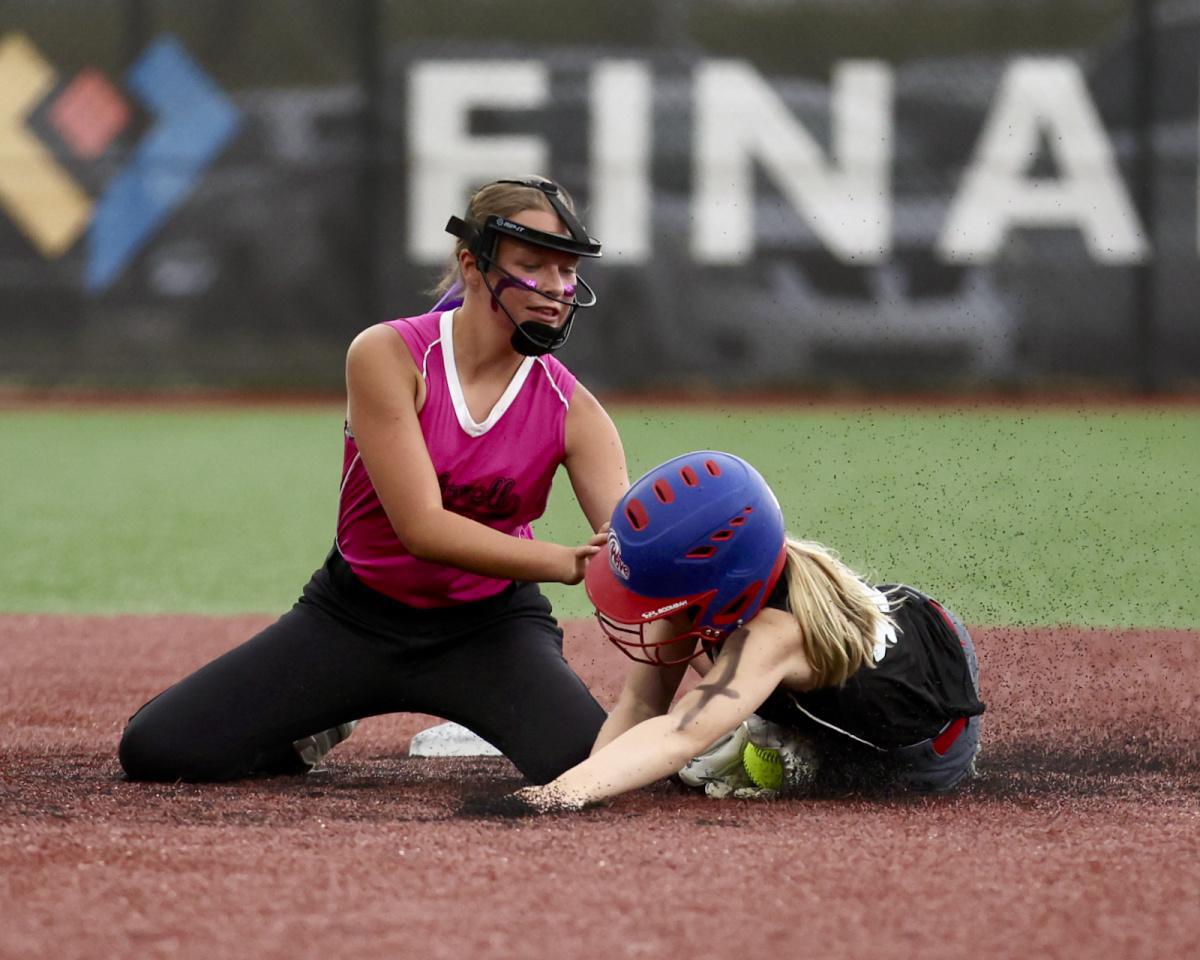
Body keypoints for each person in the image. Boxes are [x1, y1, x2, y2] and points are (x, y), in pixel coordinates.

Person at [119, 176, 629, 786]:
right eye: (533, 265)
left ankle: (488, 706)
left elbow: (629, 544)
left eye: (567, 270)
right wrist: (564, 560)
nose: (555, 287)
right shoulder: (388, 354)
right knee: (159, 751)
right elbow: (420, 527)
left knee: (588, 769)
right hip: (353, 619)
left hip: (492, 626)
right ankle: (322, 717)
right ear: (473, 265)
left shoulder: (575, 409)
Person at [509, 450, 984, 811]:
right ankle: (772, 717)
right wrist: (573, 789)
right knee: (713, 714)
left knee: (781, 760)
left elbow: (678, 733)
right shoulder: (740, 579)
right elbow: (640, 704)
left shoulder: (774, 635)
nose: (646, 612)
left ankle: (793, 733)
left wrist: (554, 797)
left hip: (932, 736)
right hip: (905, 622)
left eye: (655, 596)